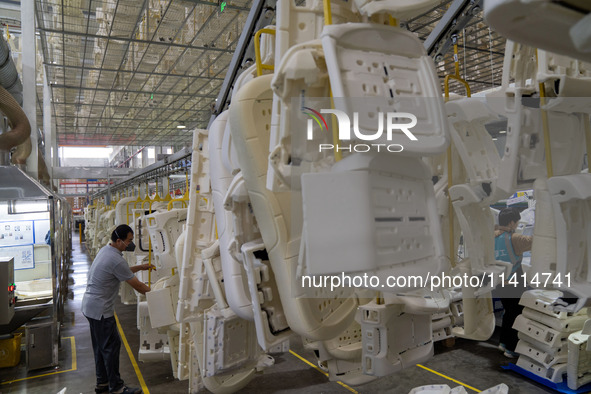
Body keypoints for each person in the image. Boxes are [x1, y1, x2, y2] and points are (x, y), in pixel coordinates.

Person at [82, 224, 154, 394]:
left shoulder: (106, 251)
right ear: (120, 241)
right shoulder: (116, 259)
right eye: (129, 241)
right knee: (111, 348)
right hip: (101, 311)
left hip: (90, 307)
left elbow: (120, 271)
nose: (130, 243)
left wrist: (140, 267)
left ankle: (102, 383)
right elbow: (139, 287)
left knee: (100, 347)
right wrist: (163, 294)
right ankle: (117, 388)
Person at [494, 207, 533, 358]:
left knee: (507, 312)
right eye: (517, 222)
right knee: (516, 313)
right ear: (511, 222)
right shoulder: (515, 238)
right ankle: (511, 348)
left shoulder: (493, 236)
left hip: (499, 281)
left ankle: (503, 343)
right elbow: (537, 241)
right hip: (514, 280)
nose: (517, 224)